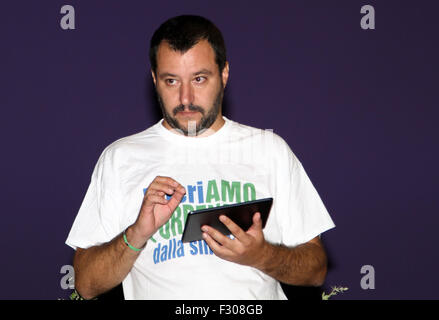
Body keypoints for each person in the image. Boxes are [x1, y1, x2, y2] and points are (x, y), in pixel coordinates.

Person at [66, 15, 335, 300]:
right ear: (155, 80)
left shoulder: (270, 150)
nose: (185, 98)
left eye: (199, 79)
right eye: (171, 81)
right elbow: (86, 283)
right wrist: (136, 235)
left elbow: (315, 269)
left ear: (224, 74)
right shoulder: (120, 158)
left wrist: (262, 255)